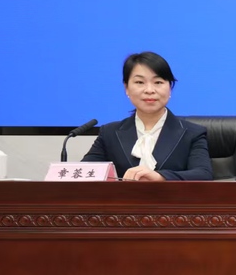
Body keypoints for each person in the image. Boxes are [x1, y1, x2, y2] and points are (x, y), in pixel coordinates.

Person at [82, 52, 213, 181]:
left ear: (170, 88)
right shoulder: (109, 133)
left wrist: (160, 177)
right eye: (140, 82)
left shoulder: (192, 133)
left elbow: (203, 174)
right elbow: (83, 172)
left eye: (158, 82)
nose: (149, 90)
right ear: (126, 88)